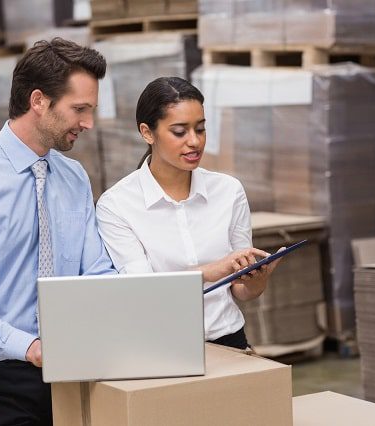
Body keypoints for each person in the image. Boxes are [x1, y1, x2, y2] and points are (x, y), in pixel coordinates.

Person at [0, 38, 115, 426]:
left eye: (91, 110)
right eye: (79, 109)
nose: (88, 124)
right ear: (38, 101)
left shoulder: (74, 178)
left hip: (69, 370)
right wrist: (30, 347)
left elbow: (96, 271)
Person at [96, 76, 281, 350]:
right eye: (180, 132)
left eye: (201, 129)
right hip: (161, 348)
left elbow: (241, 291)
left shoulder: (228, 192)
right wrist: (211, 270)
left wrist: (256, 280)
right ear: (147, 132)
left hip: (230, 340)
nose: (194, 142)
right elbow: (142, 289)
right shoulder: (117, 205)